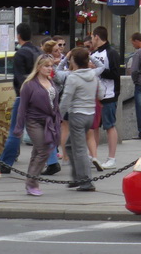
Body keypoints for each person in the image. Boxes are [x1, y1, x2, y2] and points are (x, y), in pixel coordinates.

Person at [13, 54, 61, 196]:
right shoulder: (29, 85)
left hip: (48, 120)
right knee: (43, 150)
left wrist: (56, 118)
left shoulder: (51, 82)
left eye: (51, 65)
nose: (49, 68)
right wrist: (19, 127)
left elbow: (55, 103)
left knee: (37, 152)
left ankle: (31, 182)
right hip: (34, 121)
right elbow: (22, 108)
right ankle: (32, 182)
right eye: (46, 65)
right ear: (39, 67)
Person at [57, 46, 103, 192]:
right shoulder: (93, 74)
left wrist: (58, 114)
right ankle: (78, 177)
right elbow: (101, 93)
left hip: (77, 114)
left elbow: (66, 99)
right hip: (90, 114)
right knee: (70, 146)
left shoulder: (73, 77)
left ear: (73, 61)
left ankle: (85, 181)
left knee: (80, 149)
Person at [0, 23, 41, 174]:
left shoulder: (21, 54)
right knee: (42, 129)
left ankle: (5, 162)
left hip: (24, 96)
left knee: (15, 130)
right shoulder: (38, 51)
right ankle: (53, 160)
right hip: (40, 94)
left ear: (18, 36)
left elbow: (19, 77)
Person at [90, 25, 121, 169]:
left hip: (109, 94)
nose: (91, 40)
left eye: (92, 37)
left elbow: (115, 74)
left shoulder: (111, 53)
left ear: (97, 37)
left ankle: (112, 158)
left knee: (109, 125)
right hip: (95, 94)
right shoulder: (94, 53)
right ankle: (94, 156)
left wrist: (97, 70)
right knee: (94, 126)